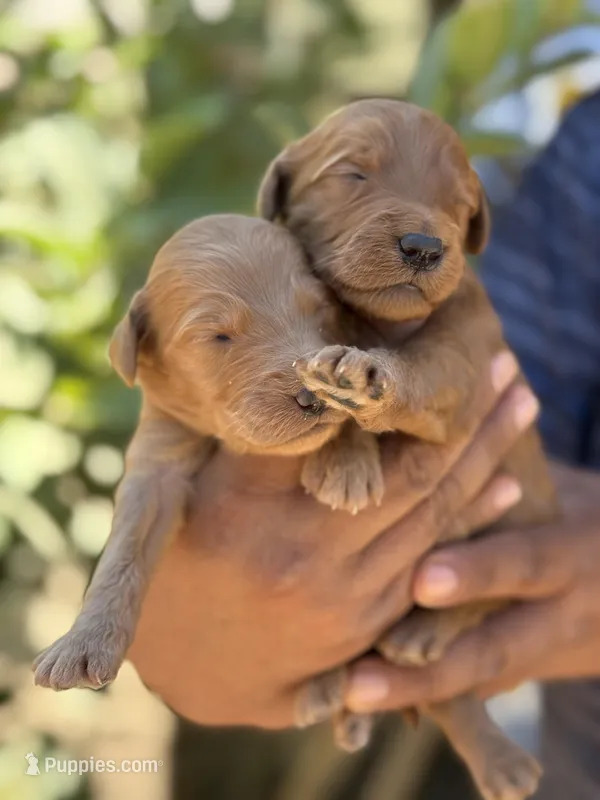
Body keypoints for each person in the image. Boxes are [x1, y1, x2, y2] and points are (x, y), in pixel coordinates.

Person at [129, 91, 600, 799]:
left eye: (456, 206)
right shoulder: (585, 154)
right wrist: (182, 633)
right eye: (354, 177)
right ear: (277, 196)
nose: (422, 233)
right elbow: (506, 409)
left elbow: (463, 388)